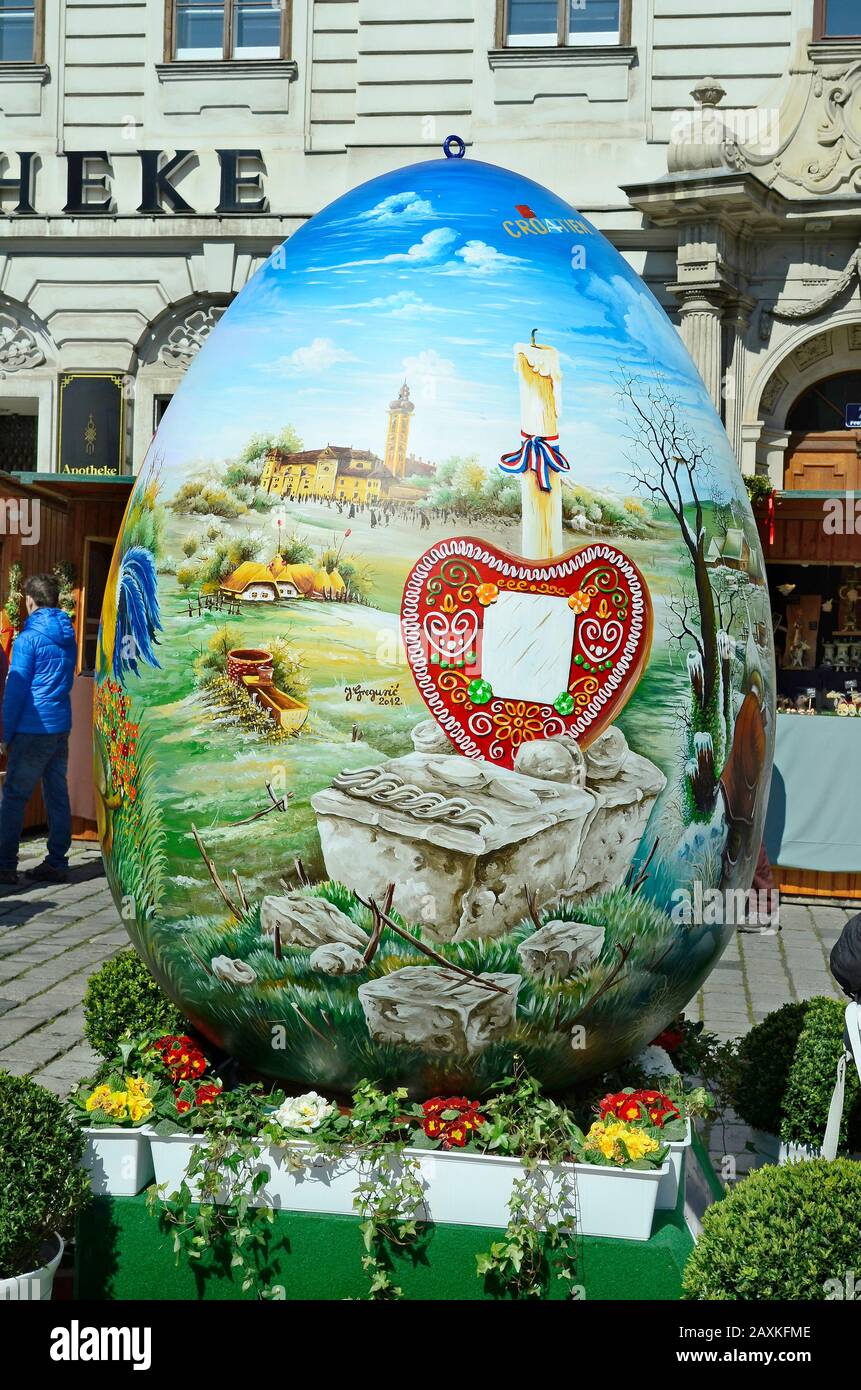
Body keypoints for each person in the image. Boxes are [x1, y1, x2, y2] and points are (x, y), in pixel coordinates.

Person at [0, 573, 77, 885]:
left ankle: (5, 865)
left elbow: (16, 689)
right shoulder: (67, 632)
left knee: (15, 796)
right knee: (57, 794)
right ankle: (57, 862)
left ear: (30, 601)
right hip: (60, 724)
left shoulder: (28, 638)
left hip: (32, 727)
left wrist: (4, 734)